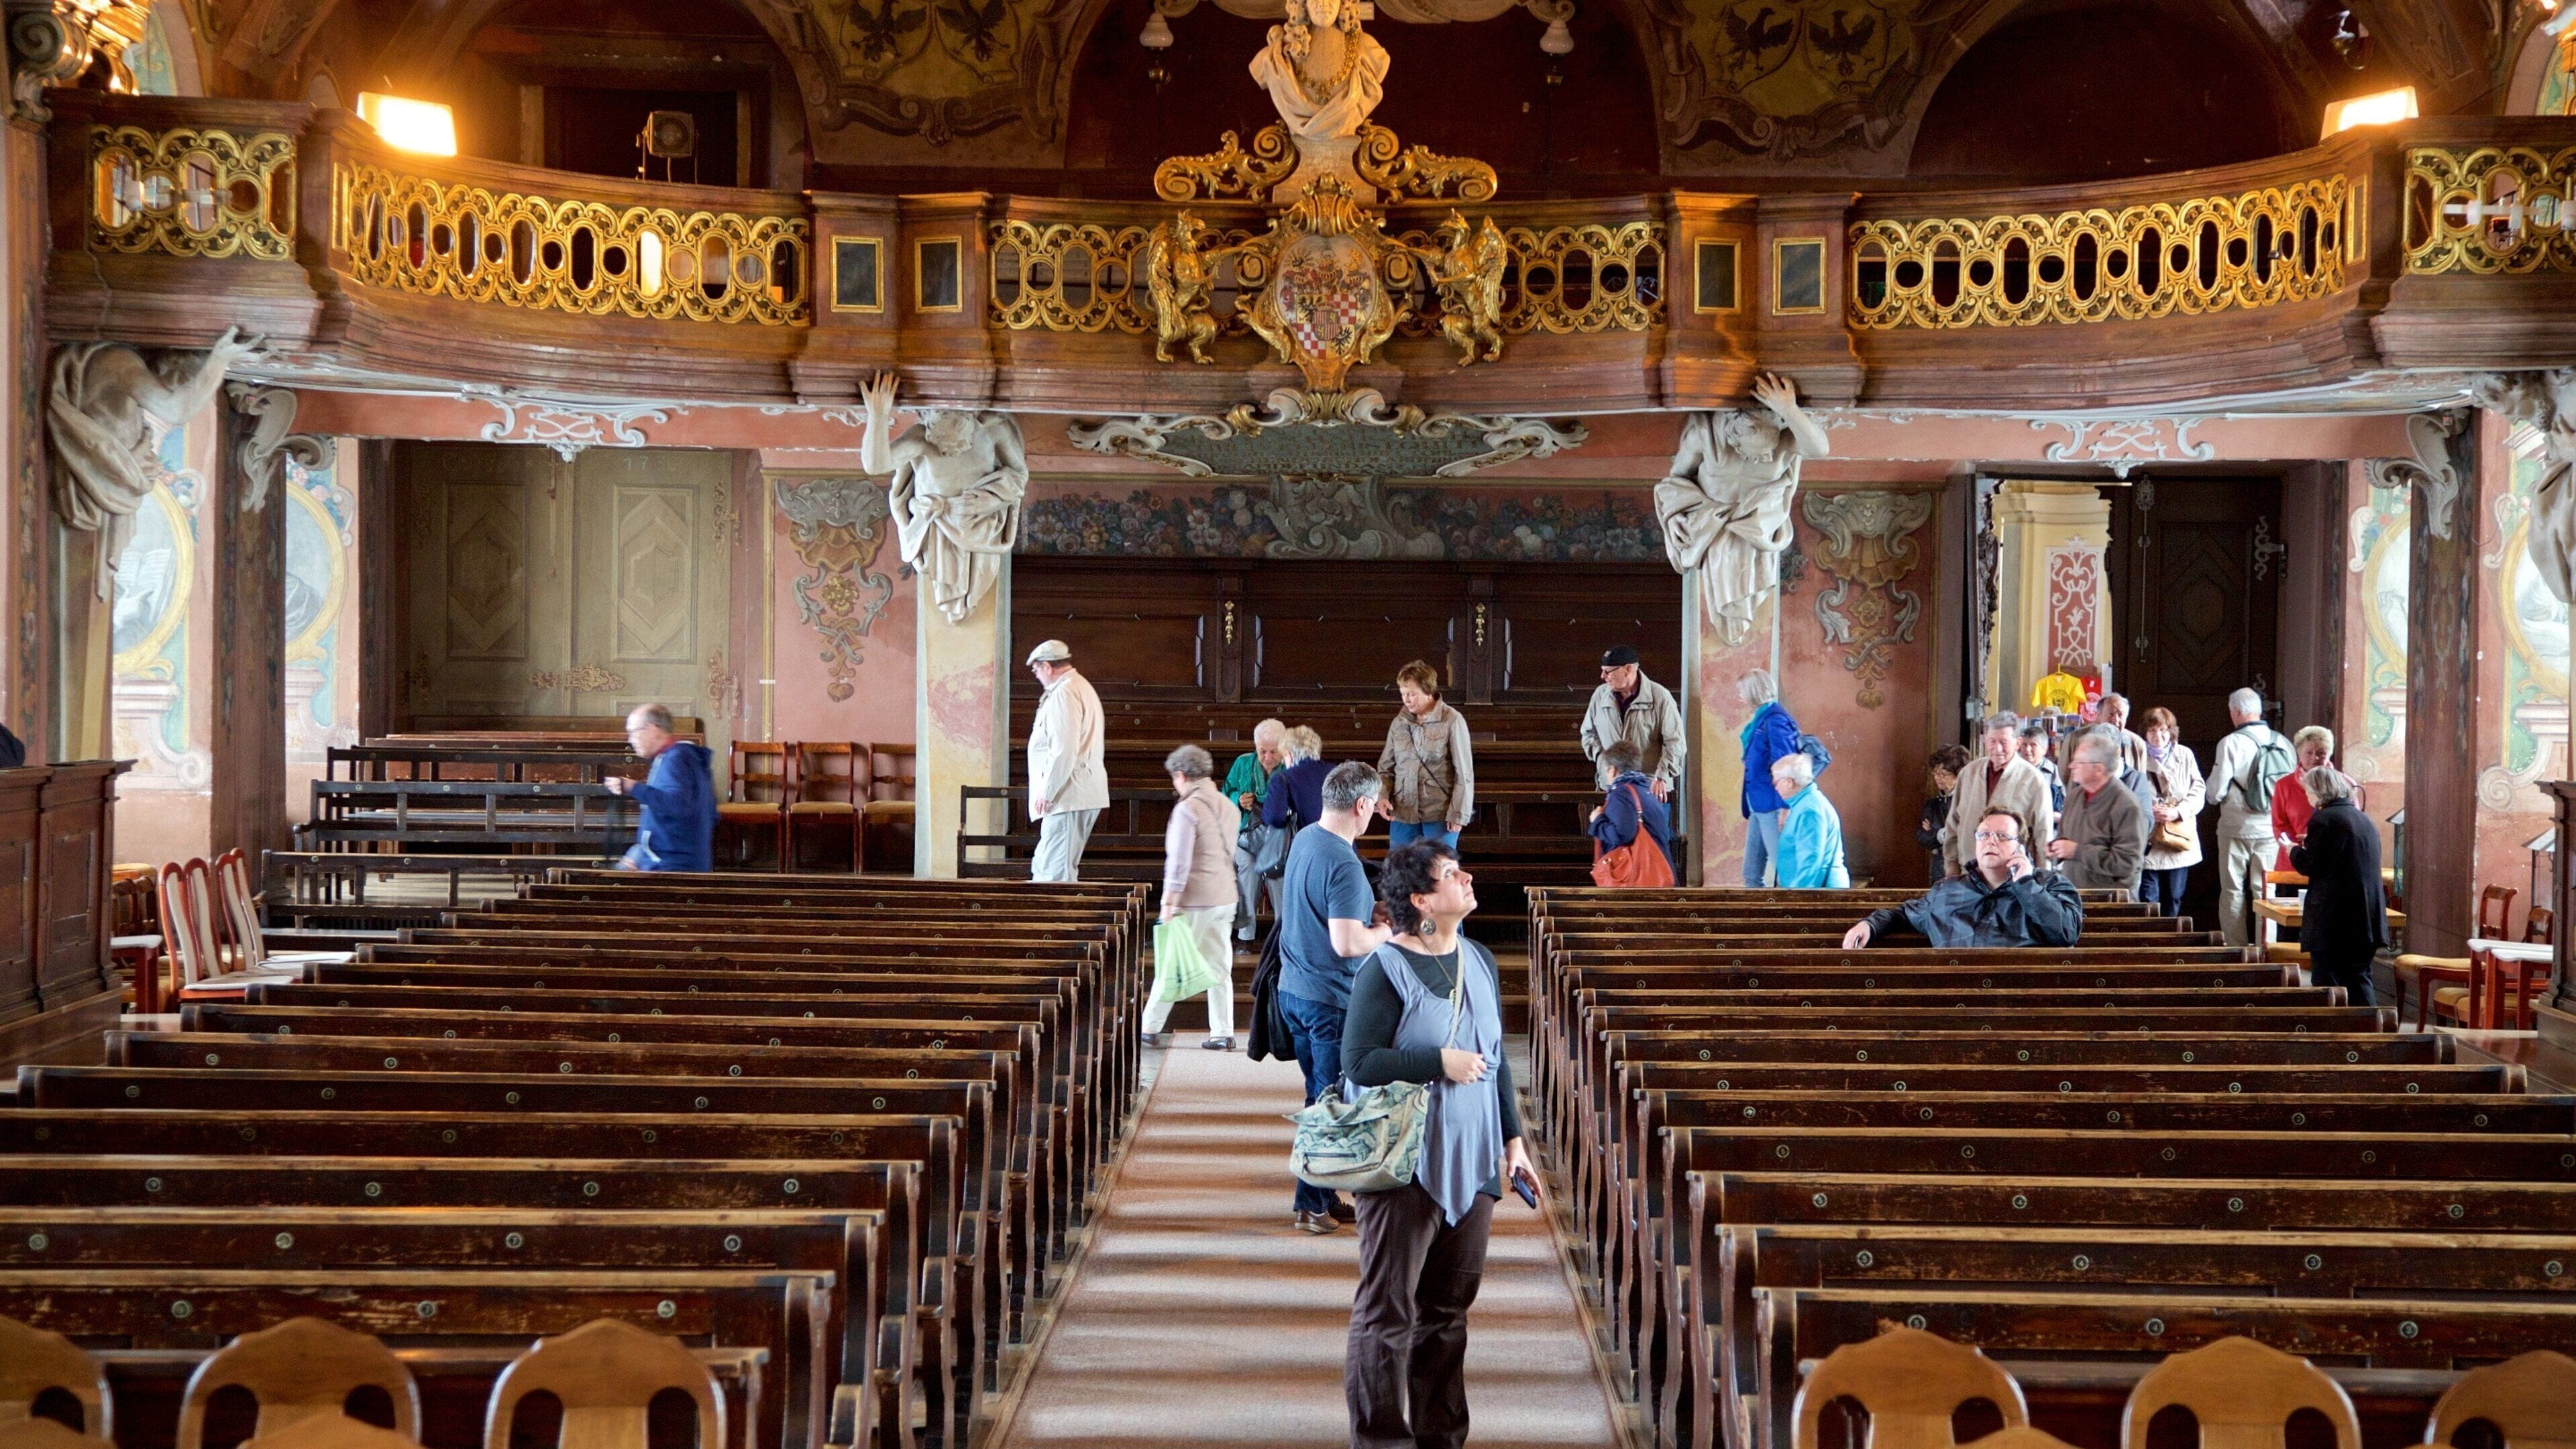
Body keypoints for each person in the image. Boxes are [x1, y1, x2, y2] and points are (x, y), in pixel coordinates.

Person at [1340, 841, 1539, 1449]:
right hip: (1406, 1161)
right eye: (1452, 874)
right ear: (1423, 901)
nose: (1467, 877)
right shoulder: (1385, 968)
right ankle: (1380, 1440)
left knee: (1448, 1315)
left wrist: (1514, 1141)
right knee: (1388, 1313)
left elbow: (1497, 1057)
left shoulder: (1478, 958)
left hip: (1474, 1157)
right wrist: (1437, 1061)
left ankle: (1442, 1437)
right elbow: (1360, 1062)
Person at [1278, 761, 1395, 1234]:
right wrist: (1384, 931)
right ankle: (1310, 1205)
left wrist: (1368, 911)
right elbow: (1347, 944)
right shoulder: (1344, 861)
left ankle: (1322, 1194)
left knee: (1318, 1093)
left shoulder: (1307, 837)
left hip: (1294, 990)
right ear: (1362, 805)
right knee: (1329, 1101)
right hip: (1328, 998)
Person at [1844, 807, 2084, 949]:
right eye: (1983, 835)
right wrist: (1870, 925)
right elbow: (1904, 914)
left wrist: (2026, 884)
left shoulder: (2050, 886)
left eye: (2001, 836)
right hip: (1952, 1004)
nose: (1990, 841)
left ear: (2021, 847)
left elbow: (2066, 932)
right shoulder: (1948, 891)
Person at [1148, 745, 1240, 1050]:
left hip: (1195, 899)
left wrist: (1167, 903)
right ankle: (1223, 1032)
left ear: (1181, 775)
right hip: (1226, 895)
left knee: (1171, 964)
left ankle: (1149, 1028)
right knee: (1219, 967)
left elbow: (1179, 863)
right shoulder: (1229, 806)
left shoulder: (1188, 809)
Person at [2287, 766, 2388, 1006]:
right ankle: (2372, 1034)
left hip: (2337, 922)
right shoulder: (2361, 817)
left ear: (2319, 791)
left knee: (2327, 982)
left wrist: (2292, 851)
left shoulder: (2324, 819)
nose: (2307, 797)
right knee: (2358, 978)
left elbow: (2310, 865)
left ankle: (2342, 1035)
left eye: (2308, 791)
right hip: (2366, 917)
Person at [2210, 687, 2292, 947]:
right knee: (2267, 893)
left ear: (2235, 711)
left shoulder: (2231, 743)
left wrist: (2213, 796)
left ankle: (2237, 953)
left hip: (2236, 828)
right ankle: (2266, 952)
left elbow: (2216, 791)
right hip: (2270, 830)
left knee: (2233, 892)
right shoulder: (2282, 742)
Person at [1026, 639, 1108, 883]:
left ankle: (1052, 921)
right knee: (1052, 865)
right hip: (1071, 793)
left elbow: (1063, 749)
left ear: (1048, 667)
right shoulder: (1077, 686)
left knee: (1054, 874)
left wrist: (1047, 792)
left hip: (1068, 794)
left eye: (1036, 669)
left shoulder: (1065, 693)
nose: (1036, 675)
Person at [1378, 660, 1475, 853]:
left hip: (1439, 814)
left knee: (1437, 872)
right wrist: (1381, 796)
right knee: (1401, 873)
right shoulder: (1399, 723)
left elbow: (1464, 773)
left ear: (1429, 692)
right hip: (1403, 813)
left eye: (1412, 694)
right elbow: (1385, 768)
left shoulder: (1452, 720)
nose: (1406, 699)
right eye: (1403, 694)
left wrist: (1458, 813)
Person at [604, 703, 714, 872]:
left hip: (673, 868)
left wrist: (634, 788)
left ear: (653, 730)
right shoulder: (675, 757)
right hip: (671, 860)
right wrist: (640, 854)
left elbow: (678, 806)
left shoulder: (676, 759)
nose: (630, 740)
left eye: (633, 732)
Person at [1944, 714, 2054, 879]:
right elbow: (1954, 823)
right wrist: (1951, 867)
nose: (1998, 749)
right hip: (1968, 872)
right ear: (1985, 741)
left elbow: (2043, 834)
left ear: (2018, 743)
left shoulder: (2033, 779)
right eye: (1992, 742)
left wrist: (2043, 880)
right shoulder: (1969, 773)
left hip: (2012, 876)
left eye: (2004, 742)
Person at [2047, 728, 2151, 898]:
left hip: (2111, 903)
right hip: (2073, 896)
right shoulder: (2074, 797)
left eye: (2079, 762)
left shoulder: (2127, 805)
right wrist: (2056, 848)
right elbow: (2067, 840)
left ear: (2098, 769)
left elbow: (2128, 863)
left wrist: (2077, 851)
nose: (2071, 766)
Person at [1581, 645, 1685, 798]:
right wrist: (1603, 759)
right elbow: (1588, 734)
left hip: (1650, 790)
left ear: (1628, 669)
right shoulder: (1600, 696)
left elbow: (1675, 742)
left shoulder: (1660, 697)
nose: (1603, 676)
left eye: (1608, 671)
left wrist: (1662, 776)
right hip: (1611, 788)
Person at [1735, 668, 1803, 888]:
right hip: (1758, 803)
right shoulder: (1761, 718)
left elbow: (1786, 764)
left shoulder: (1774, 720)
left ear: (1754, 692)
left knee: (1786, 871)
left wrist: (1785, 806)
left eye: (1742, 691)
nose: (1740, 696)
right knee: (1751, 874)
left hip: (1772, 804)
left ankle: (1794, 918)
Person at [2138, 706, 2206, 917]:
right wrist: (2148, 809)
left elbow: (2198, 790)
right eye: (2152, 731)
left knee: (2173, 897)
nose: (2158, 736)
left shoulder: (2185, 755)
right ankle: (2150, 944)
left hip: (2177, 837)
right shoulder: (2137, 756)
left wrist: (2177, 811)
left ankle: (2170, 945)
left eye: (2163, 730)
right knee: (2148, 897)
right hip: (2148, 837)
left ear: (2172, 732)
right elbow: (2128, 790)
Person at [1228, 718, 1289, 941]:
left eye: (1274, 752)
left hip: (1279, 839)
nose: (1267, 758)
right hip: (1246, 837)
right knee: (1250, 866)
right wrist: (1238, 799)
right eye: (1262, 751)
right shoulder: (1243, 764)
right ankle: (1246, 936)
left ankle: (1284, 936)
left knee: (1276, 871)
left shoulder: (1290, 767)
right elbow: (1226, 793)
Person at [1586, 741, 1673, 874]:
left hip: (1640, 878)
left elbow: (1622, 835)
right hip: (1657, 872)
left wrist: (1598, 820)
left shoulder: (1621, 794)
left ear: (1613, 770)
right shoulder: (1645, 790)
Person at [1768, 752, 1849, 888]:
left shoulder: (1809, 810)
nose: (1775, 787)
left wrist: (1795, 900)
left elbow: (1810, 862)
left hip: (1820, 896)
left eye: (1776, 781)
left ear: (1789, 782)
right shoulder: (1805, 803)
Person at [2272, 726, 2356, 849]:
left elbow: (2352, 823)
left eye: (2321, 753)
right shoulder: (2284, 785)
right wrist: (2297, 847)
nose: (2315, 758)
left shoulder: (2346, 783)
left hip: (2332, 858)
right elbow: (2279, 825)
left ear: (2329, 755)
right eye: (2309, 753)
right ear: (2299, 754)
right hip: (2292, 858)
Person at [1917, 744, 1972, 884]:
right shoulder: (1932, 804)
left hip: (1965, 866)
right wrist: (1945, 833)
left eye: (1943, 774)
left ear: (1958, 775)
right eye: (1935, 773)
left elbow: (1967, 835)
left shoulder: (1970, 801)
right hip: (1938, 867)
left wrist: (1936, 833)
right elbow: (1922, 837)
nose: (1937, 778)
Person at [1263, 724, 1329, 838]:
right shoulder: (1336, 771)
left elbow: (1274, 818)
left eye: (1283, 758)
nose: (1283, 763)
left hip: (1306, 847)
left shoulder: (1283, 779)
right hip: (1343, 849)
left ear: (1289, 755)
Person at [2097, 692, 2150, 775]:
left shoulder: (2137, 744)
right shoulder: (2077, 739)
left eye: (2120, 715)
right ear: (2099, 715)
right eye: (2111, 714)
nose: (2116, 720)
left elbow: (2140, 782)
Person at [2019, 721, 2064, 813]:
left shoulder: (2056, 772)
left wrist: (2056, 816)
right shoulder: (2013, 769)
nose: (2028, 749)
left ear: (2044, 749)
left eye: (2033, 745)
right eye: (2024, 745)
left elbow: (2066, 807)